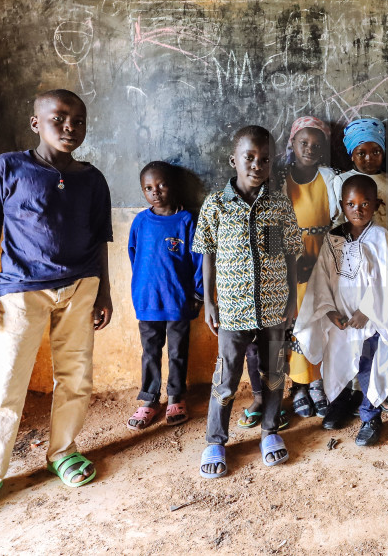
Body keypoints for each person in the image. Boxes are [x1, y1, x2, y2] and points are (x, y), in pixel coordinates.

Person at [0, 89, 113, 530]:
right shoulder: (9, 167)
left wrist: (104, 290)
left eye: (79, 119)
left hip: (80, 287)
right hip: (21, 291)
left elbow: (99, 240)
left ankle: (64, 451)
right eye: (59, 118)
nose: (70, 126)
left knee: (75, 375)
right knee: (5, 382)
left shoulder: (91, 178)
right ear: (36, 122)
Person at [194, 126, 302, 479]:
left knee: (273, 374)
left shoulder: (278, 205)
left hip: (273, 309)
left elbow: (285, 254)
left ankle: (270, 432)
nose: (258, 165)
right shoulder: (217, 205)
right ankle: (216, 440)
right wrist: (210, 302)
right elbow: (208, 253)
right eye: (249, 158)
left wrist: (291, 299)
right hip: (233, 311)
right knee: (226, 378)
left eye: (265, 159)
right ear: (233, 160)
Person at [293, 175, 388, 446]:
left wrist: (367, 311)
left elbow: (387, 280)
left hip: (368, 322)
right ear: (342, 205)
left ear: (376, 204)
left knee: (368, 369)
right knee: (336, 362)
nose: (357, 209)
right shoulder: (333, 237)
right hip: (341, 321)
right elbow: (321, 278)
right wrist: (327, 310)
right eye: (351, 204)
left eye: (364, 203)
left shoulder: (380, 237)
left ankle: (371, 417)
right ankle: (340, 402)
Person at [126, 161, 203, 430]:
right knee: (150, 351)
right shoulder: (140, 221)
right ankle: (149, 399)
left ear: (173, 186)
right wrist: (140, 290)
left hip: (178, 301)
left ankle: (176, 396)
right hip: (148, 302)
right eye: (148, 188)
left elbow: (199, 260)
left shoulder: (186, 221)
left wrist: (199, 293)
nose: (155, 191)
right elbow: (135, 257)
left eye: (161, 185)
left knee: (177, 351)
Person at [280, 117, 340, 418]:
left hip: (323, 258)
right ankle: (299, 385)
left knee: (318, 321)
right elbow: (272, 225)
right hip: (292, 261)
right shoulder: (279, 179)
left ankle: (316, 382)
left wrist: (325, 260)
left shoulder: (330, 178)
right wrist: (290, 264)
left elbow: (339, 220)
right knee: (295, 324)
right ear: (292, 143)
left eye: (317, 145)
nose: (310, 149)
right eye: (303, 142)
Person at [332, 117, 388, 240]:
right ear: (352, 155)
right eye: (361, 153)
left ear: (383, 152)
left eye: (376, 152)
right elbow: (339, 218)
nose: (369, 158)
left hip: (387, 244)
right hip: (356, 246)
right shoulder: (342, 181)